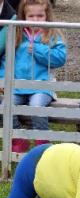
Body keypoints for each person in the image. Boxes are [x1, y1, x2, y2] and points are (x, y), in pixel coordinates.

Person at [0, 0, 67, 153]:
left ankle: (42, 144)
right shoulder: (16, 33)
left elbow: (60, 58)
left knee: (36, 107)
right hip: (17, 87)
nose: (35, 20)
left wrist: (38, 49)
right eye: (31, 16)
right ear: (23, 16)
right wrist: (3, 79)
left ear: (47, 16)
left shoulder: (52, 34)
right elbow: (6, 59)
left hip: (42, 86)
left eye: (40, 16)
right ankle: (18, 140)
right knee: (5, 107)